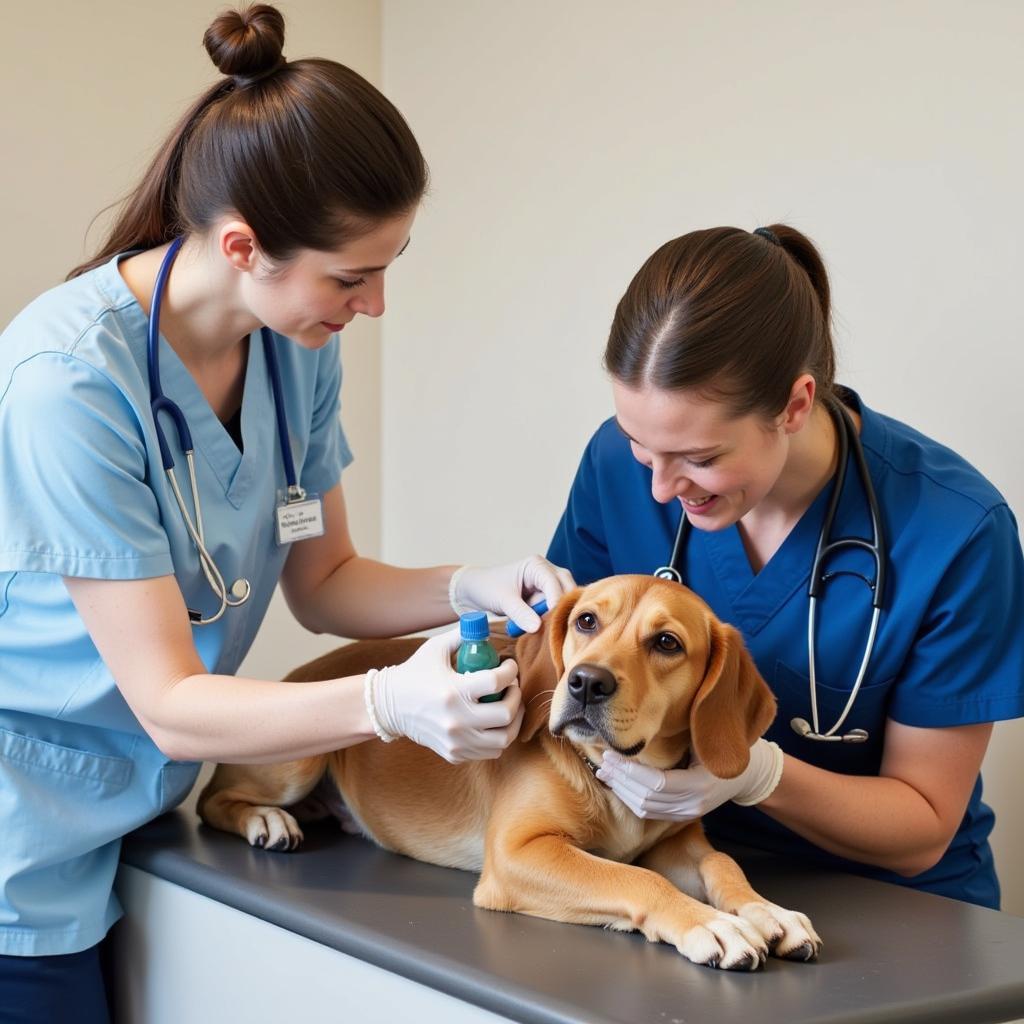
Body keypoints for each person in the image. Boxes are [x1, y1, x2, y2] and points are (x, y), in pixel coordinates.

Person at [0, 6, 572, 1020]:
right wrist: (390, 703)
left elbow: (323, 581)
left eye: (390, 266)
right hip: (21, 841)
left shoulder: (293, 342)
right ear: (243, 245)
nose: (375, 304)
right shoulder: (67, 382)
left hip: (133, 823)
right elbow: (170, 704)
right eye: (352, 276)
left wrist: (464, 585)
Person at [547, 223, 1024, 910]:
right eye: (640, 446)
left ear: (795, 404)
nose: (659, 488)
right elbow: (566, 675)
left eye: (701, 459)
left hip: (893, 905)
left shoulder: (955, 530)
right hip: (672, 870)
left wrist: (755, 774)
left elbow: (922, 827)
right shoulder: (618, 466)